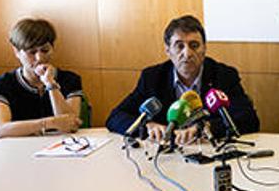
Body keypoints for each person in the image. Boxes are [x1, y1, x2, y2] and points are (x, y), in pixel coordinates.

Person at [106, 15, 259, 144]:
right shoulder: (152, 77)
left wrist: (206, 127)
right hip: (167, 157)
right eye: (179, 46)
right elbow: (115, 117)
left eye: (194, 45)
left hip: (209, 154)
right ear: (168, 50)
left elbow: (249, 119)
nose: (187, 54)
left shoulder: (223, 75)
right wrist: (147, 126)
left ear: (204, 49)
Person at [0, 18, 83, 138]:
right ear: (17, 52)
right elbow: (2, 130)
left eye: (45, 50)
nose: (39, 58)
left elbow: (71, 125)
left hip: (61, 147)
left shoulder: (70, 79)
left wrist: (50, 84)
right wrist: (50, 123)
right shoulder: (3, 83)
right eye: (31, 52)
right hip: (17, 149)